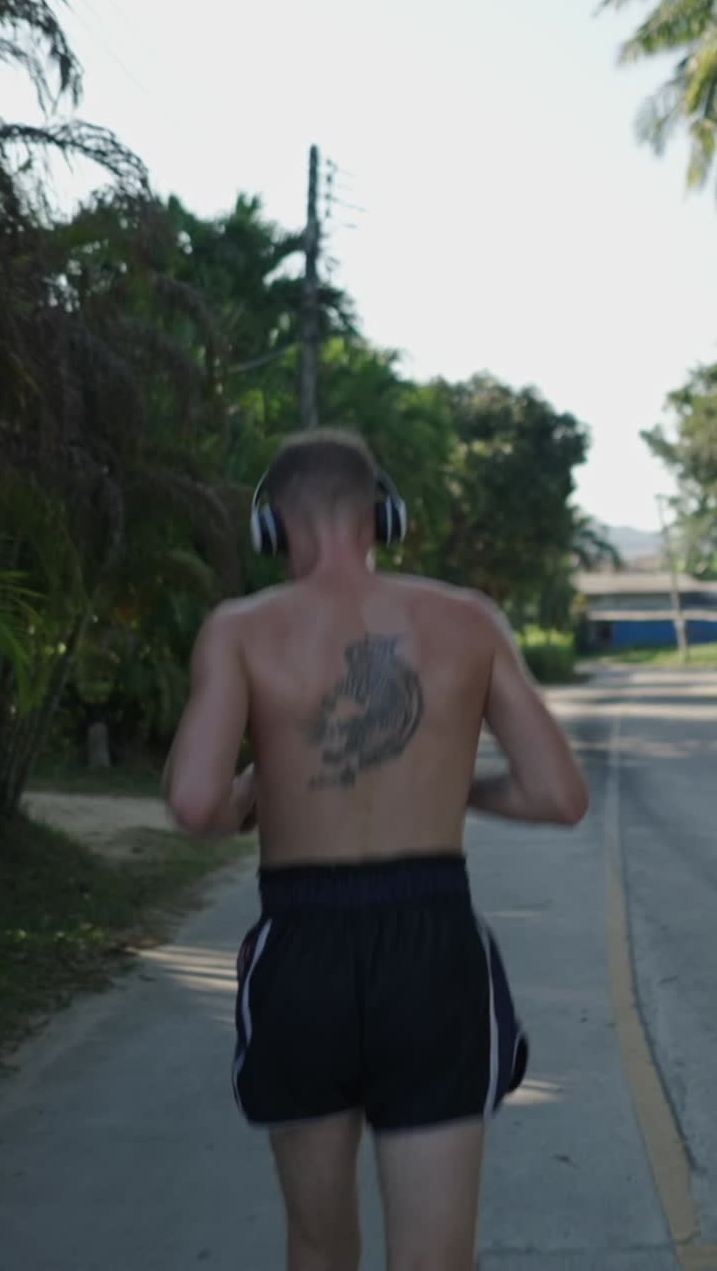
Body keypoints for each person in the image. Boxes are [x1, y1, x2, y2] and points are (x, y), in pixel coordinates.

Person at [163, 428, 589, 1271]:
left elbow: (196, 803)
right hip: (435, 952)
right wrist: (438, 779)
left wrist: (267, 783)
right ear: (381, 518)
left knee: (320, 1248)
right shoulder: (468, 619)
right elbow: (559, 796)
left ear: (273, 529)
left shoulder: (241, 628)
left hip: (300, 949)